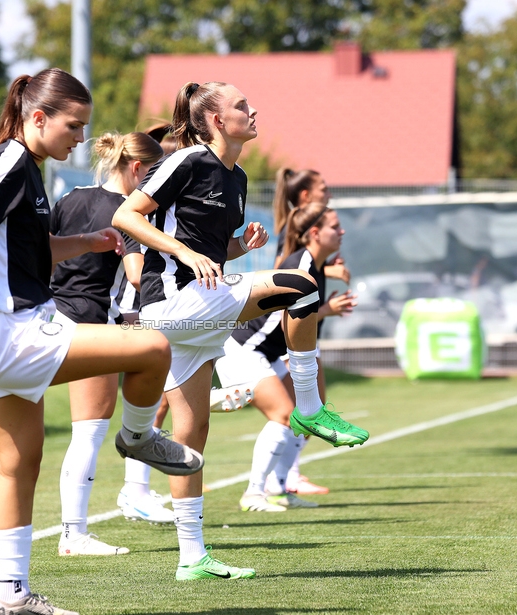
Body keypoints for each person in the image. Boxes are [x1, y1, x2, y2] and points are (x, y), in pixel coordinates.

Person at [0, 69, 203, 615]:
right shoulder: (11, 160)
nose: (81, 137)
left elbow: (24, 251)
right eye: (73, 125)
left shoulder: (25, 167)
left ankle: (13, 594)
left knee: (20, 464)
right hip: (9, 330)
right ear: (37, 117)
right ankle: (138, 438)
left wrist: (86, 242)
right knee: (152, 348)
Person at [112, 81, 368, 581]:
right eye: (242, 107)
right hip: (172, 304)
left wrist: (236, 247)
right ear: (214, 121)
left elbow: (206, 246)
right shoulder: (185, 162)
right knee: (300, 283)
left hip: (200, 310)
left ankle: (192, 558)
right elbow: (126, 215)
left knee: (190, 443)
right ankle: (311, 408)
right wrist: (184, 254)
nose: (254, 111)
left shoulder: (240, 176)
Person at [51, 130, 176, 557]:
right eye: (156, 176)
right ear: (138, 169)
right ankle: (73, 533)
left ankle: (75, 529)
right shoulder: (127, 213)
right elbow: (139, 275)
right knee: (89, 430)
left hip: (49, 314)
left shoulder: (70, 198)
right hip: (89, 319)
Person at [217, 203, 357, 512]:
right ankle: (254, 494)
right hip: (244, 349)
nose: (342, 231)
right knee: (284, 414)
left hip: (266, 352)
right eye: (335, 226)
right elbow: (287, 316)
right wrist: (327, 312)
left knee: (303, 419)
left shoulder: (316, 266)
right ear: (316, 233)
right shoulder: (300, 264)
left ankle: (278, 489)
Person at [270, 168, 352, 496]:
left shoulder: (314, 255)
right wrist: (327, 309)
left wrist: (327, 269)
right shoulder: (298, 253)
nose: (329, 193)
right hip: (277, 343)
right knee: (294, 412)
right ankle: (279, 480)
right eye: (324, 188)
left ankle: (286, 476)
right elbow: (280, 292)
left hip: (301, 339)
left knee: (310, 408)